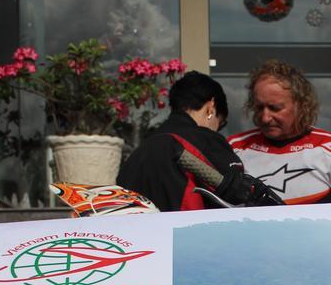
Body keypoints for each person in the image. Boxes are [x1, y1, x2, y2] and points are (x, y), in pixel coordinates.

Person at [117, 72, 279, 212]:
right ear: (211, 108)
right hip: (187, 241)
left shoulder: (138, 153)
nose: (217, 130)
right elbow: (239, 194)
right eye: (220, 123)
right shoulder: (205, 140)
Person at [228, 60, 331, 204]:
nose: (265, 117)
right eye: (258, 108)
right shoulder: (235, 147)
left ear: (301, 106)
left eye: (275, 108)